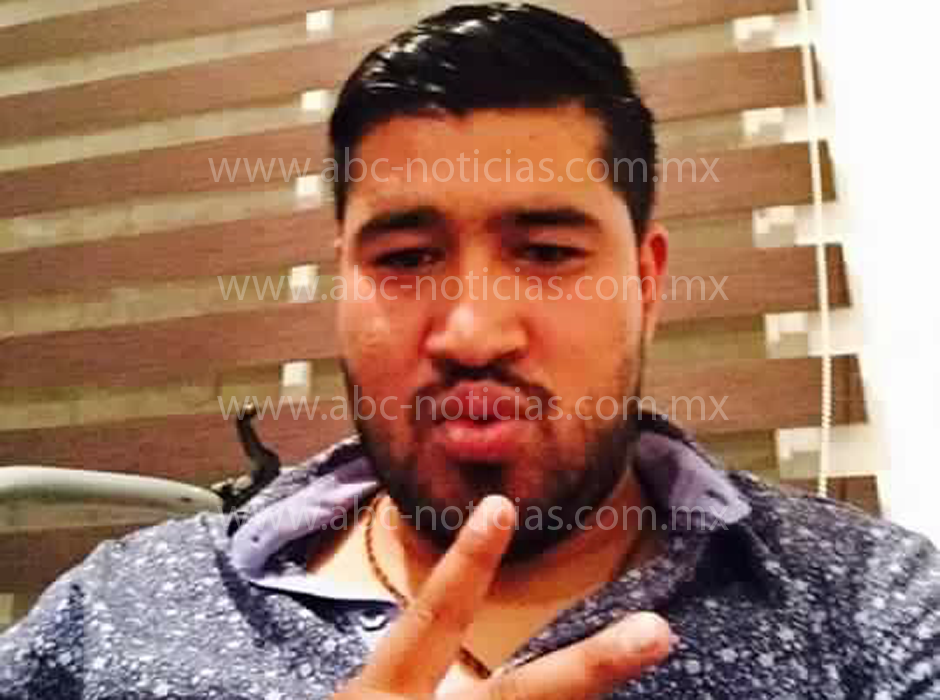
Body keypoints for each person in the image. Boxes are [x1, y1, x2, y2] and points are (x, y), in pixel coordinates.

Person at [2, 4, 938, 698]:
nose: (473, 333)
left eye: (547, 252)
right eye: (406, 258)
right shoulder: (120, 612)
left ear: (647, 284)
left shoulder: (870, 612)